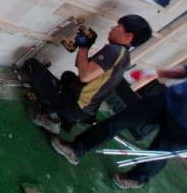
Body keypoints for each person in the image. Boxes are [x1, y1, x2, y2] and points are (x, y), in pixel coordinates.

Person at [51, 29, 187, 189]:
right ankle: (76, 148)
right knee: (116, 122)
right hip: (167, 100)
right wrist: (157, 72)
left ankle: (136, 178)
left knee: (157, 155)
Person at [23, 15, 153, 134]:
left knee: (31, 65)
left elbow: (85, 76)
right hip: (85, 111)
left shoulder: (113, 50)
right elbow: (80, 65)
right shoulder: (124, 56)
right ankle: (66, 119)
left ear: (128, 36)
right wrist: (86, 46)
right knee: (68, 76)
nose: (113, 28)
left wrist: (84, 47)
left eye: (118, 26)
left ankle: (52, 117)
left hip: (76, 107)